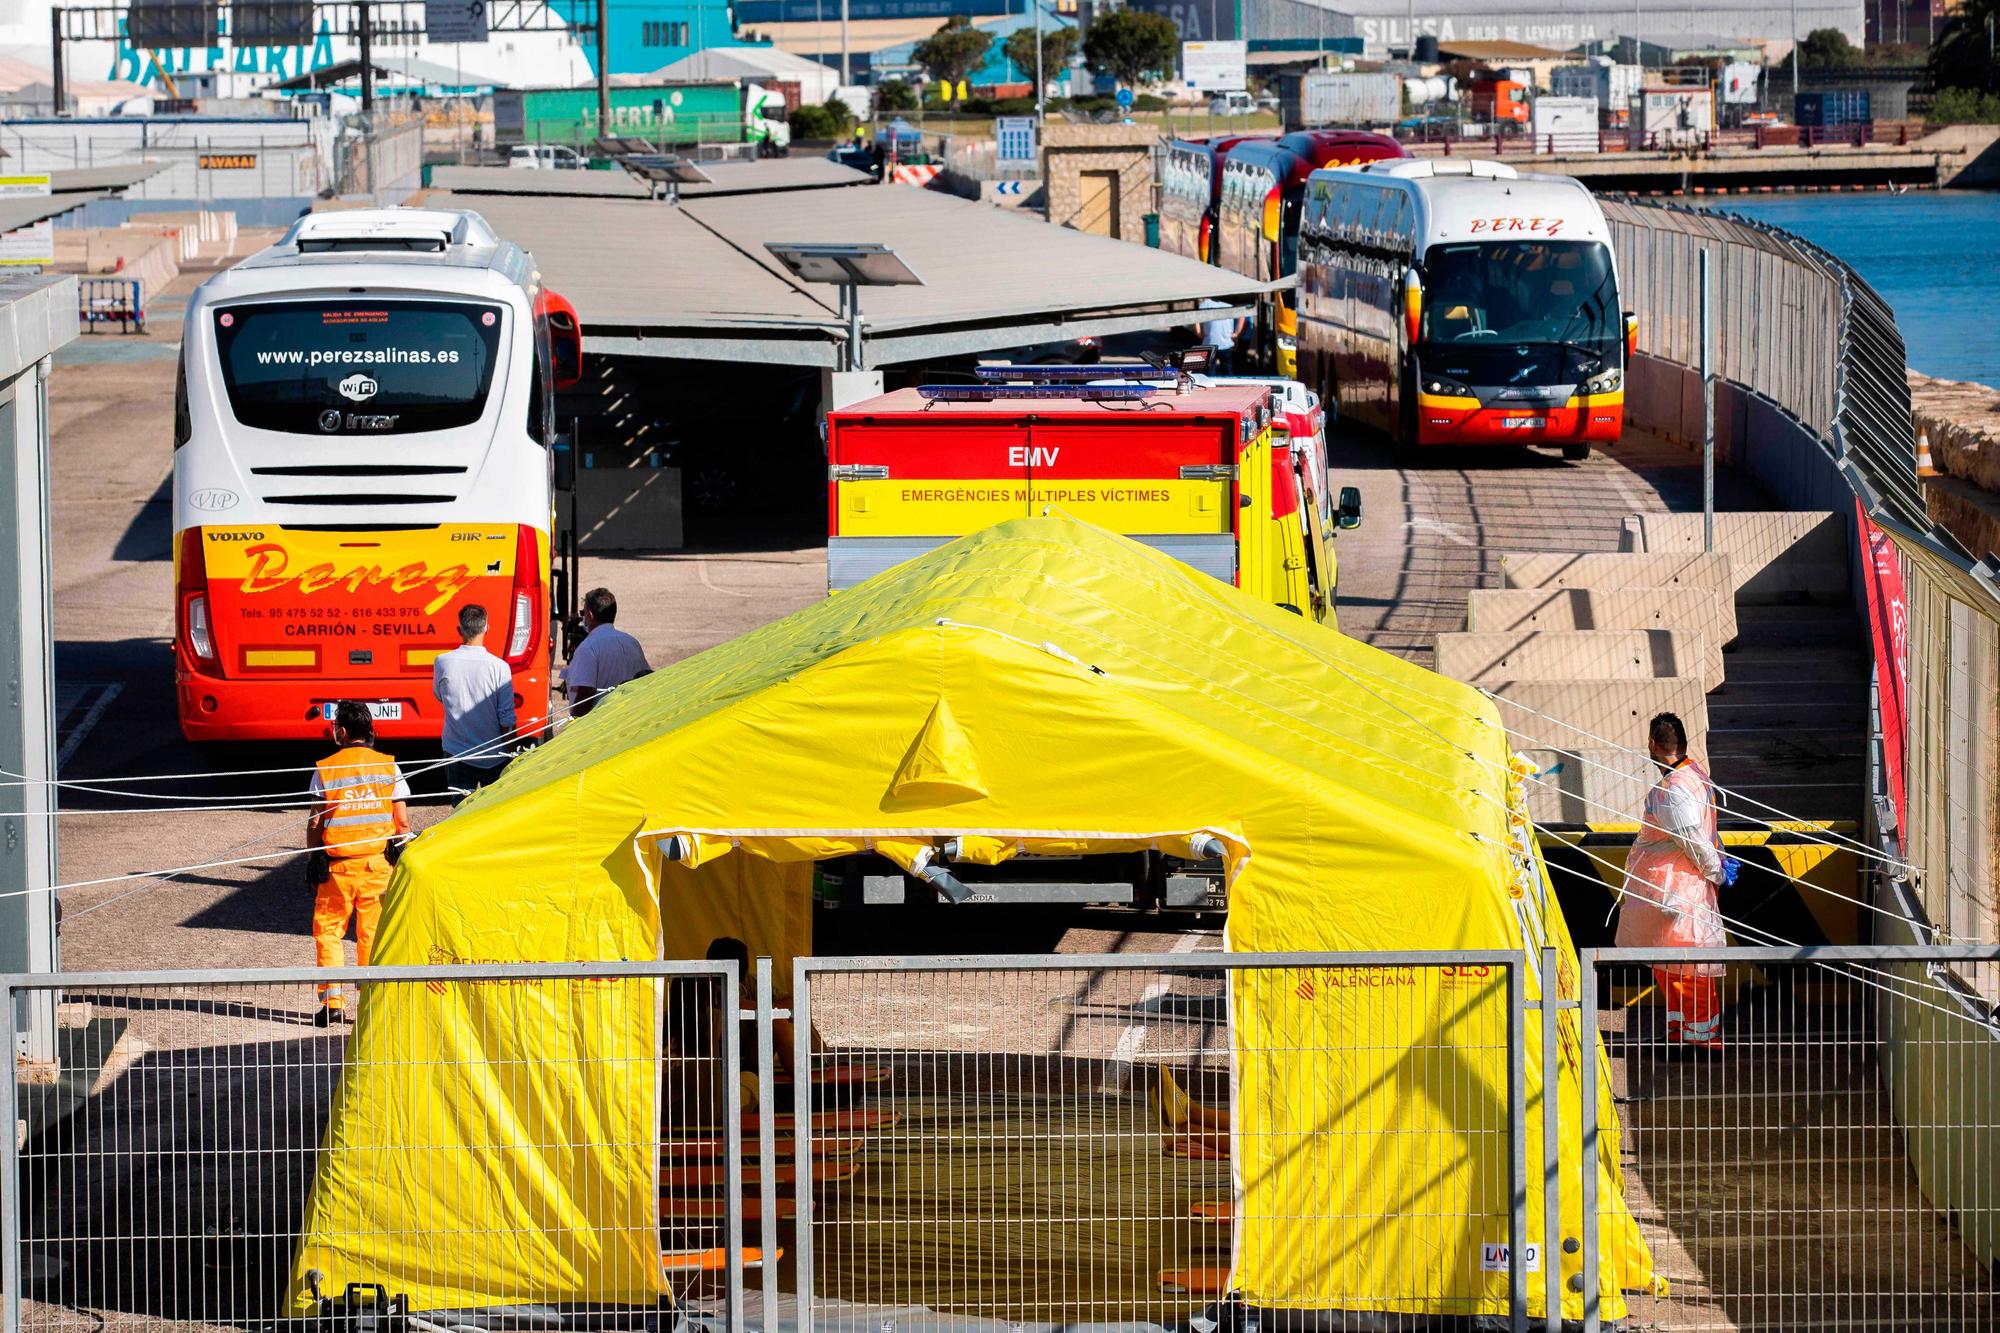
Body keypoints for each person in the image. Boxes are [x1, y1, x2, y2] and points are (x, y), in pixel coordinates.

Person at [1616, 712, 1728, 1051]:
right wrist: (1717, 865)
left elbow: (1692, 839)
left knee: (1685, 969)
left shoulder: (1673, 790)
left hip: (1674, 894)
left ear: (1652, 744)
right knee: (1676, 969)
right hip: (1679, 891)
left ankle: (1699, 1039)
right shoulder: (1695, 776)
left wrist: (1716, 871)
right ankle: (1682, 1033)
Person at [306, 701, 411, 1027]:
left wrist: (313, 857)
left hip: (337, 869)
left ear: (342, 731)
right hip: (377, 867)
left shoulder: (326, 768)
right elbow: (403, 823)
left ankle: (332, 1003)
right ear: (371, 732)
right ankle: (370, 1002)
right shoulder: (388, 767)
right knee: (371, 935)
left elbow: (314, 822)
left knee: (328, 933)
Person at [432, 604, 517, 804]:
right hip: (495, 755)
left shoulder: (442, 662)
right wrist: (511, 751)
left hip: (457, 753)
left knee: (461, 812)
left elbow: (439, 695)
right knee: (495, 811)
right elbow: (506, 717)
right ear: (487, 627)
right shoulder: (500, 667)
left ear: (459, 630)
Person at [565, 587, 651, 718]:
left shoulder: (588, 648)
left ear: (590, 615)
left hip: (601, 723)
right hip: (631, 717)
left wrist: (574, 723)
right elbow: (646, 678)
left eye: (584, 613)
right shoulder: (632, 642)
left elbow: (585, 695)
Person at [1194, 298, 1245, 376]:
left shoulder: (1205, 304)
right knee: (1228, 374)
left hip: (1210, 343)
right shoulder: (1229, 303)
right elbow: (1242, 316)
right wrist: (1236, 333)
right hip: (1225, 343)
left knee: (1210, 375)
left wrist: (1199, 333)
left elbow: (1195, 318)